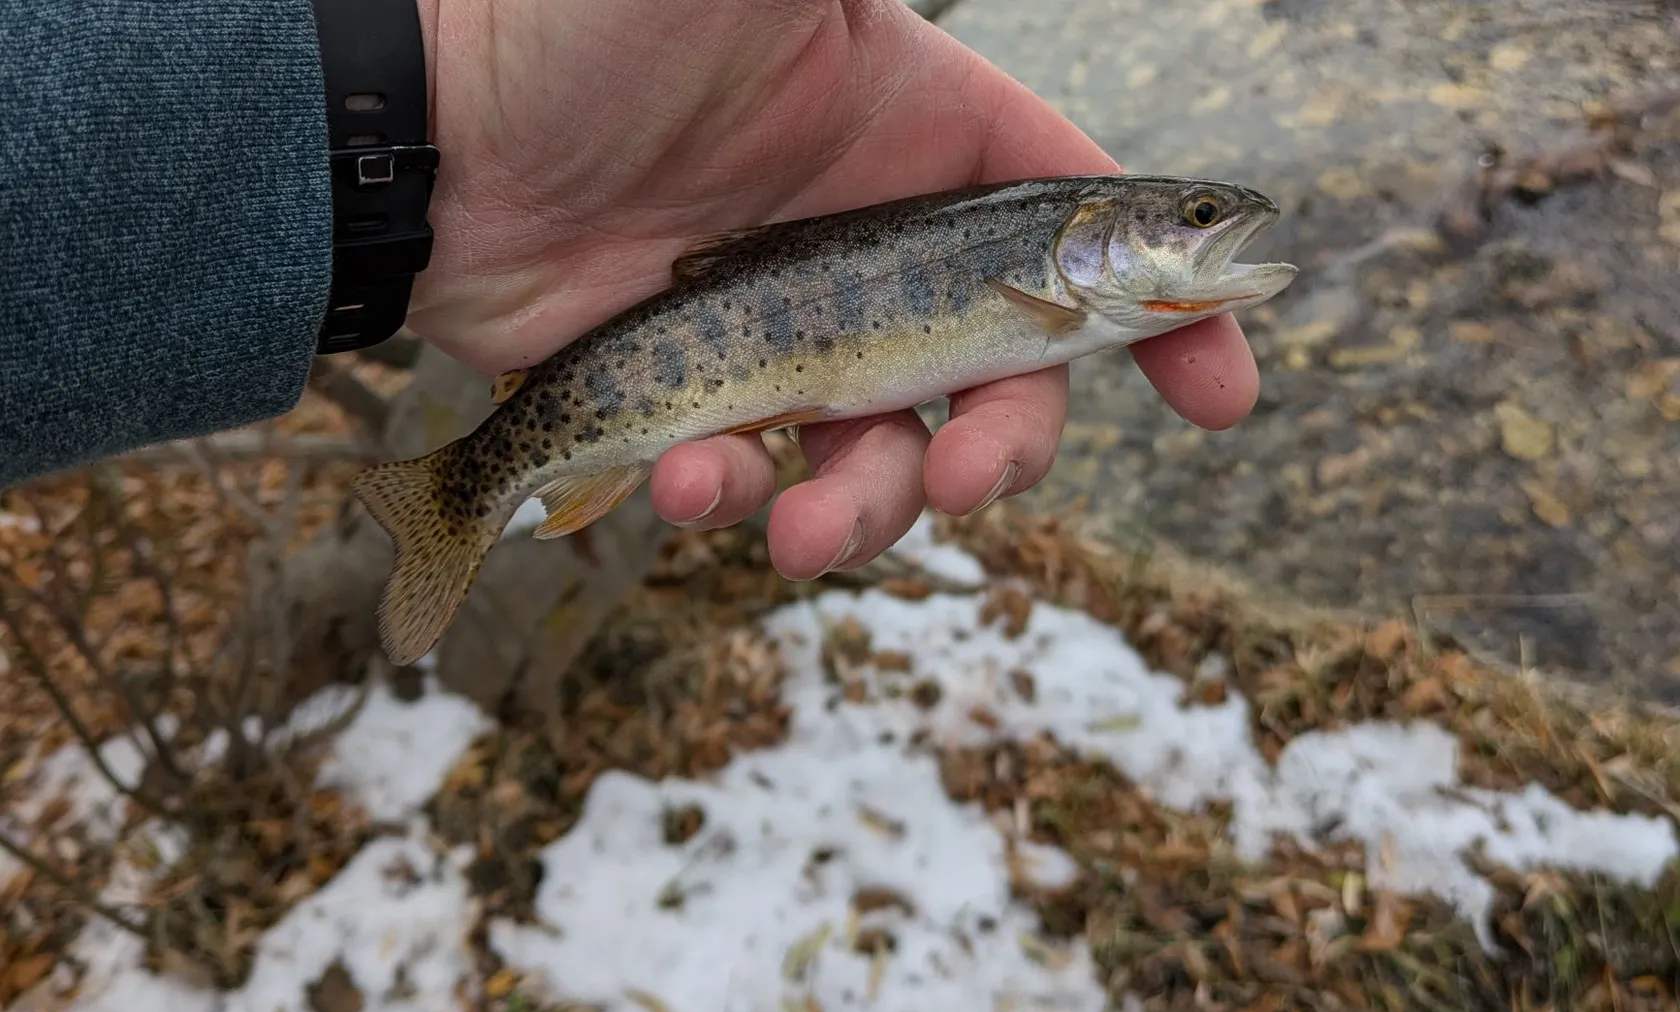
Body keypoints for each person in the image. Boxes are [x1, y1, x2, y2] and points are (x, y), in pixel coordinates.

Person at [1, 0, 1264, 581]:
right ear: (1102, 238)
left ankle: (469, 484)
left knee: (726, 479)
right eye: (1197, 220)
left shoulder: (1062, 269)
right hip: (655, 350)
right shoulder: (1048, 275)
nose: (1215, 234)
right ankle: (461, 489)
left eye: (1202, 218)